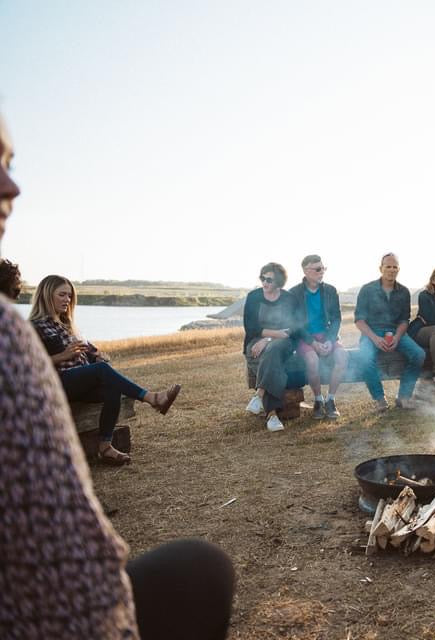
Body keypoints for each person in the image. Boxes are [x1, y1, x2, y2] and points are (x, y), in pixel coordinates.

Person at [0, 113, 234, 639]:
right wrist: (71, 356)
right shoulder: (28, 331)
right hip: (61, 385)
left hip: (82, 378)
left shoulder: (58, 327)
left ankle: (112, 435)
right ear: (44, 297)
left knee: (104, 373)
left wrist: (85, 349)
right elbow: (70, 545)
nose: (12, 184)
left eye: (9, 163)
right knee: (204, 569)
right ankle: (148, 400)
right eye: (59, 294)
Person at [29, 275, 181, 464]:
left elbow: (90, 351)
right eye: (62, 295)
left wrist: (99, 356)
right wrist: (62, 356)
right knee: (102, 371)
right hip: (56, 383)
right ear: (46, 295)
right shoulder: (34, 327)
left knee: (113, 386)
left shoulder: (68, 325)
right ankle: (152, 398)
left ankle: (105, 447)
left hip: (79, 382)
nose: (67, 300)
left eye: (69, 296)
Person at [354, 252, 425, 410]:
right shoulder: (367, 289)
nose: (391, 270)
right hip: (371, 332)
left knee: (419, 354)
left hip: (396, 332)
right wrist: (375, 338)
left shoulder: (404, 292)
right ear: (381, 268)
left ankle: (404, 397)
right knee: (364, 357)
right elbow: (359, 320)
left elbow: (404, 320)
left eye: (395, 267)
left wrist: (398, 337)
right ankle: (379, 399)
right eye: (388, 266)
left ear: (398, 269)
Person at [243, 262, 301, 432]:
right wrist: (269, 337)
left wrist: (268, 338)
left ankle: (260, 394)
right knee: (272, 362)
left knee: (274, 350)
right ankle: (272, 415)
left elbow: (293, 328)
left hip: (284, 344)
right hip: (255, 344)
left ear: (279, 282)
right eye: (263, 278)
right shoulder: (254, 296)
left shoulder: (289, 299)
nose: (265, 283)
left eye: (269, 280)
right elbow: (251, 328)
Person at [289, 254, 348, 420]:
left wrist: (330, 339)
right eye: (317, 269)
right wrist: (312, 342)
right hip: (305, 337)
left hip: (327, 335)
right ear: (306, 271)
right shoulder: (294, 293)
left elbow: (336, 318)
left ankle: (330, 400)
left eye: (323, 268)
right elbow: (295, 324)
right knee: (312, 361)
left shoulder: (330, 290)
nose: (322, 272)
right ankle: (318, 401)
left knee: (342, 356)